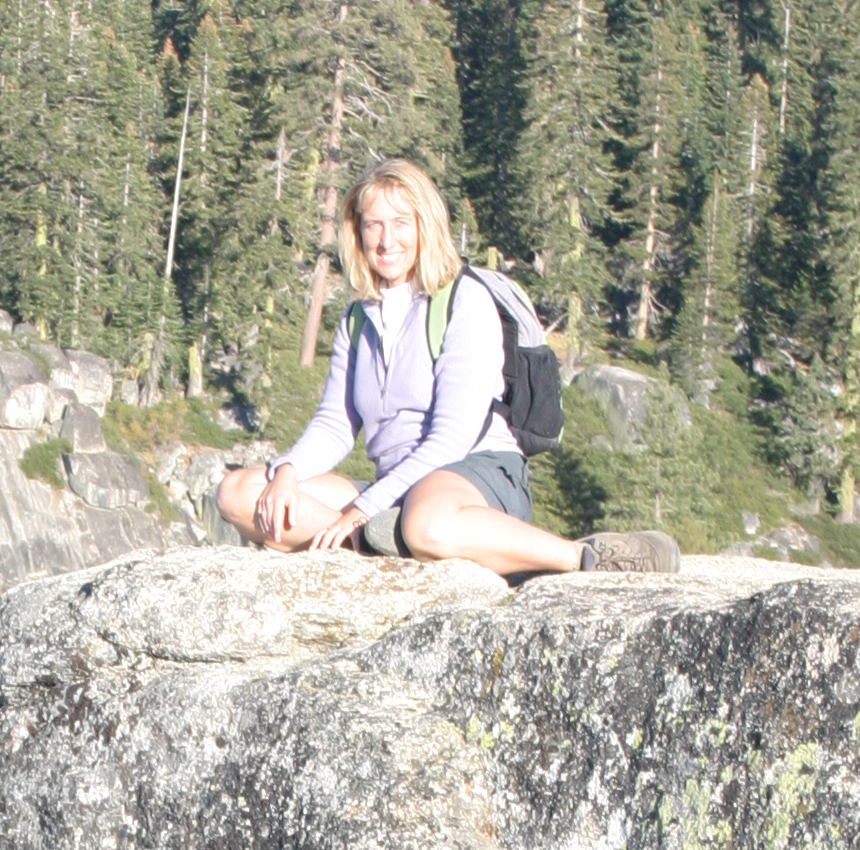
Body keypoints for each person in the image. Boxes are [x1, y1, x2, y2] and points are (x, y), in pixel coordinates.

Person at [216, 155, 677, 578]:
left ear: (426, 225)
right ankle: (380, 543)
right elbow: (336, 424)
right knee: (240, 493)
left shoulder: (463, 301)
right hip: (394, 488)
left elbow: (451, 437)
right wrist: (289, 471)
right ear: (357, 232)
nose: (386, 240)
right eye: (373, 224)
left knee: (428, 524)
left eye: (401, 222)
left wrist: (362, 508)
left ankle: (584, 556)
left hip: (471, 472)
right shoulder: (358, 319)